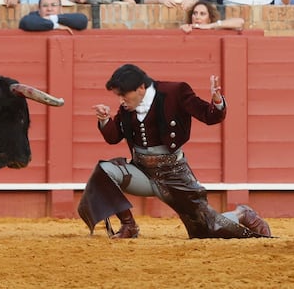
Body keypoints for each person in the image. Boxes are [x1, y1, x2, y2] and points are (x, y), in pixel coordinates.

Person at [77, 64, 272, 239]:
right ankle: (129, 226)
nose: (120, 100)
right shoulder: (128, 106)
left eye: (123, 95)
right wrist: (104, 119)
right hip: (142, 172)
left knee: (206, 230)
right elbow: (113, 137)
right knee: (105, 171)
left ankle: (242, 214)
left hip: (174, 175)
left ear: (141, 88)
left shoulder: (175, 92)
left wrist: (217, 101)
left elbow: (209, 116)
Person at [19, 0, 88, 33]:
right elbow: (25, 22)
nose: (49, 9)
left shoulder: (65, 19)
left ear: (60, 8)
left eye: (53, 5)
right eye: (45, 6)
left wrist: (53, 18)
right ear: (39, 10)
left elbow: (83, 20)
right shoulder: (33, 18)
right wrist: (55, 25)